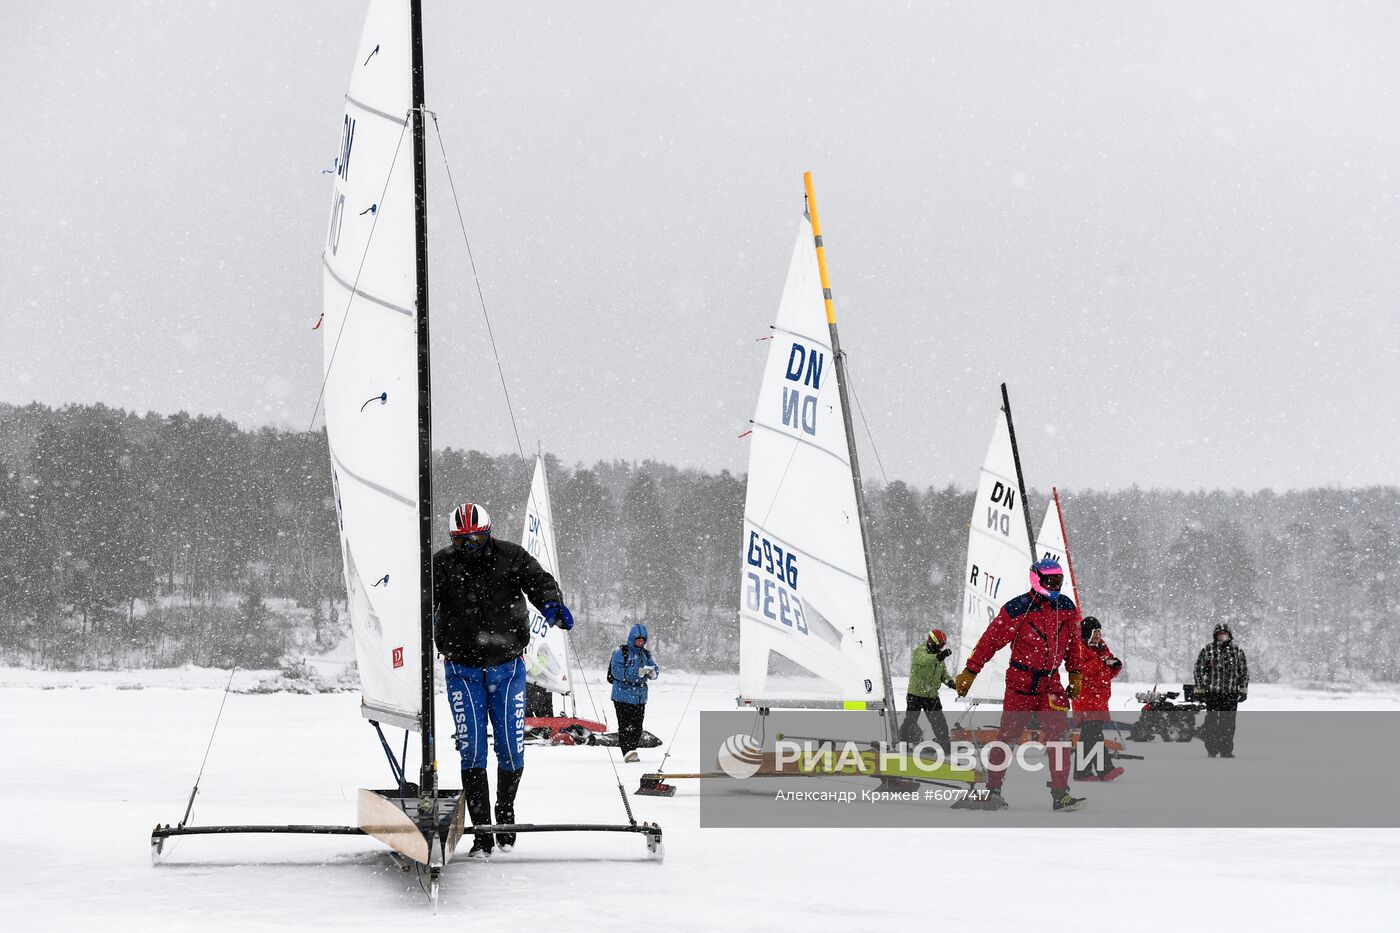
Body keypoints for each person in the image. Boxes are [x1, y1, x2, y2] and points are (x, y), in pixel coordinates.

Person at [433, 502, 574, 859]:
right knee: (473, 748)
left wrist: (551, 603)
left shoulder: (511, 557)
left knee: (511, 747)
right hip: (462, 670)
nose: (471, 546)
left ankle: (505, 813)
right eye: (463, 541)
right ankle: (482, 830)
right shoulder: (442, 564)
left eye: (477, 539)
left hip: (508, 669)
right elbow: (420, 601)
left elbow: (539, 581)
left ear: (489, 533)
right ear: (453, 539)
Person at [952, 558, 1087, 812]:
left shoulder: (1066, 608)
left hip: (1051, 685)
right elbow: (990, 642)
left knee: (1059, 738)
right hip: (1020, 684)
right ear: (1037, 579)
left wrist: (1076, 674)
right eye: (1050, 581)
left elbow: (1072, 646)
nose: (1055, 585)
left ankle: (1061, 794)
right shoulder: (1017, 609)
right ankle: (993, 790)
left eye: (1058, 580)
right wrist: (971, 671)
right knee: (1007, 738)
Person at [1073, 616, 1125, 781]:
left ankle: (1083, 772)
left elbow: (1106, 672)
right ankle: (1104, 770)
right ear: (1088, 632)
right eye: (1095, 632)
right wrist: (1100, 662)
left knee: (1089, 737)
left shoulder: (1102, 647)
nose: (1098, 635)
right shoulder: (1079, 647)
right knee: (1093, 735)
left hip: (1099, 699)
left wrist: (1115, 665)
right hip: (1086, 699)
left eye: (1099, 632)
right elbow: (1080, 670)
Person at [1194, 622, 1248, 758]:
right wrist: (1200, 690)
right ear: (1215, 636)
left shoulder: (1236, 651)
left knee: (1228, 724)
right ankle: (1212, 749)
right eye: (1219, 634)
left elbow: (1244, 672)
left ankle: (1226, 750)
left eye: (1224, 634)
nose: (1222, 636)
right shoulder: (1208, 650)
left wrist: (1242, 690)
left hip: (1230, 694)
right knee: (1211, 723)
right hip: (1212, 693)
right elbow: (1198, 670)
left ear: (1229, 636)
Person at [609, 622, 660, 762]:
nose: (640, 643)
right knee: (625, 726)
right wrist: (637, 673)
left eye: (642, 641)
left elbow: (655, 669)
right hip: (622, 696)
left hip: (639, 697)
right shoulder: (621, 654)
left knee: (637, 727)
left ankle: (632, 749)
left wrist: (652, 672)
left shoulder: (645, 654)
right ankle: (627, 752)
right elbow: (617, 672)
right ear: (632, 639)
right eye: (638, 640)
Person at [898, 628, 955, 750]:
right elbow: (927, 660)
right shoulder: (920, 651)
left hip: (931, 696)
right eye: (940, 645)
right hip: (916, 695)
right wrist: (940, 656)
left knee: (939, 722)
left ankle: (945, 745)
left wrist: (949, 682)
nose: (941, 648)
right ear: (932, 642)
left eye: (942, 646)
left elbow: (943, 673)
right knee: (911, 721)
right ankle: (903, 744)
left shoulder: (938, 657)